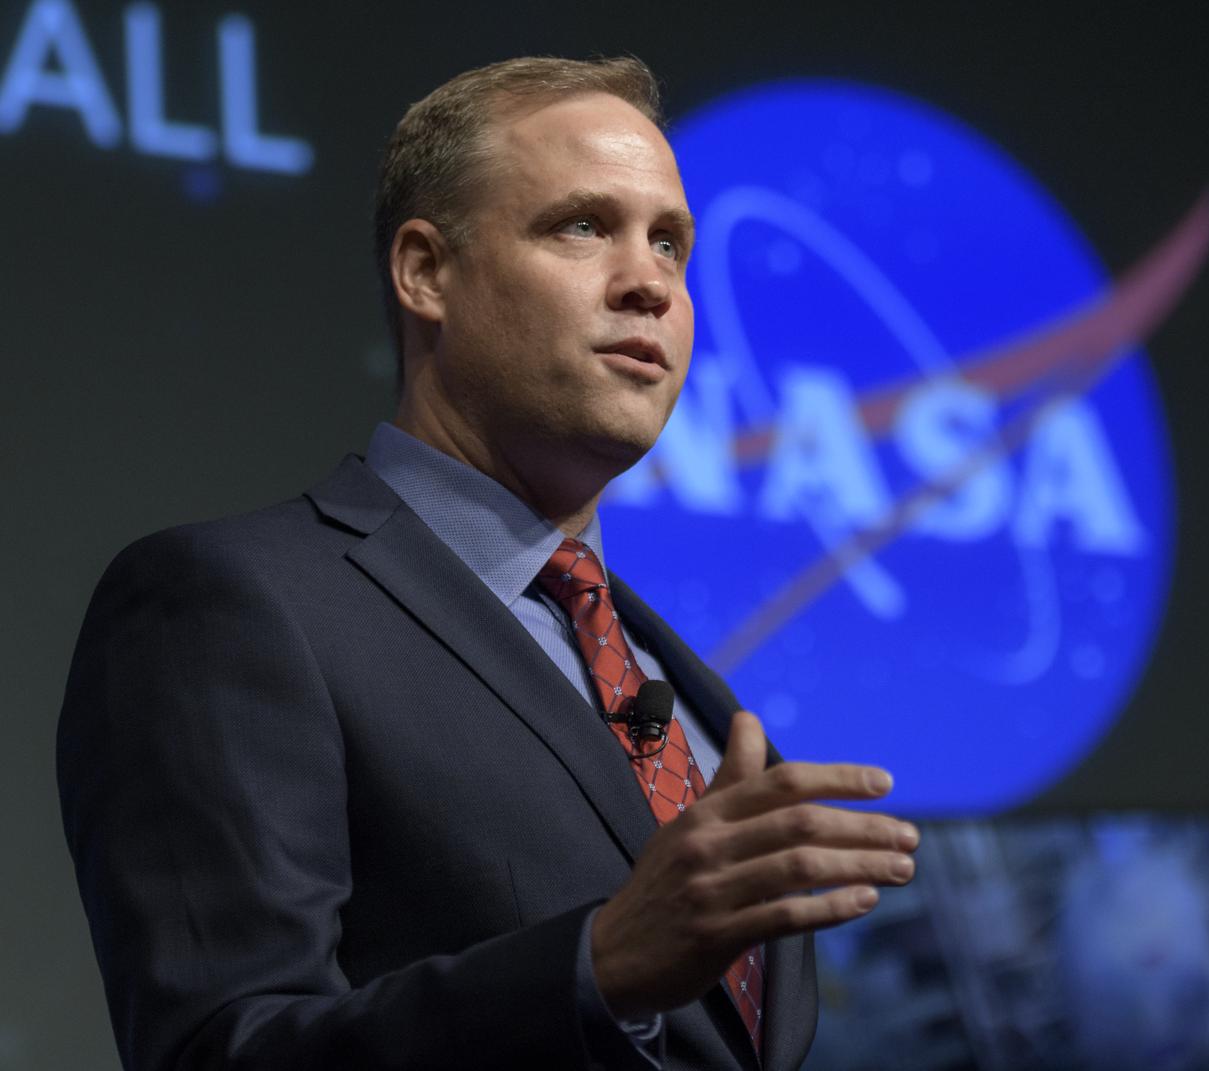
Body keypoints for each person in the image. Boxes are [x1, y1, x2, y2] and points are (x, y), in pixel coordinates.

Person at [57, 56, 919, 1071]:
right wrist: (592, 969)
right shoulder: (232, 606)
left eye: (671, 244)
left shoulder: (688, 692)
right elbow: (216, 1051)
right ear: (426, 271)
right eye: (582, 226)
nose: (648, 282)